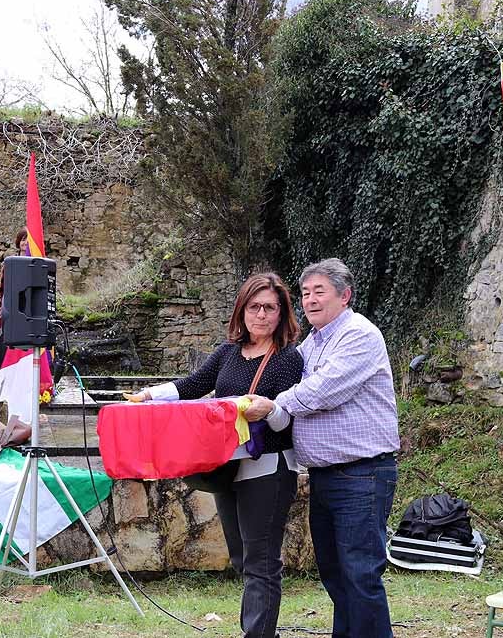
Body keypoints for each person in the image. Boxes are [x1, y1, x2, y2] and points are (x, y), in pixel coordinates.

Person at [125, 273, 303, 638]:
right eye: (255, 307)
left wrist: (267, 410)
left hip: (267, 467)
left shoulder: (287, 359)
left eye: (271, 308)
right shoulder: (228, 352)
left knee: (261, 562)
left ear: (282, 313)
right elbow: (192, 385)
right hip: (227, 466)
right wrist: (149, 395)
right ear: (242, 311)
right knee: (242, 558)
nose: (262, 315)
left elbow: (287, 420)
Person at [244, 259, 401, 638]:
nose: (311, 300)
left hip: (362, 473)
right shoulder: (311, 344)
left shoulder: (359, 335)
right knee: (334, 572)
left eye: (320, 292)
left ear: (344, 296)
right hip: (325, 475)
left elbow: (325, 390)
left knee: (360, 572)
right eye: (306, 293)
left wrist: (275, 405)